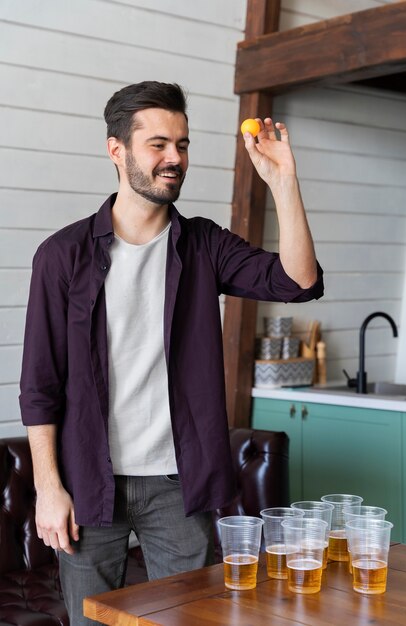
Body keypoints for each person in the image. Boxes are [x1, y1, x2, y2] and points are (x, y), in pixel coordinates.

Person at [19, 81, 323, 624]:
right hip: (90, 484)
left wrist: (283, 182)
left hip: (180, 486)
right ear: (117, 150)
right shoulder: (61, 256)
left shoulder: (205, 245)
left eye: (182, 145)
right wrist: (48, 487)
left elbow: (298, 281)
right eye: (158, 144)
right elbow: (40, 386)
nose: (174, 158)